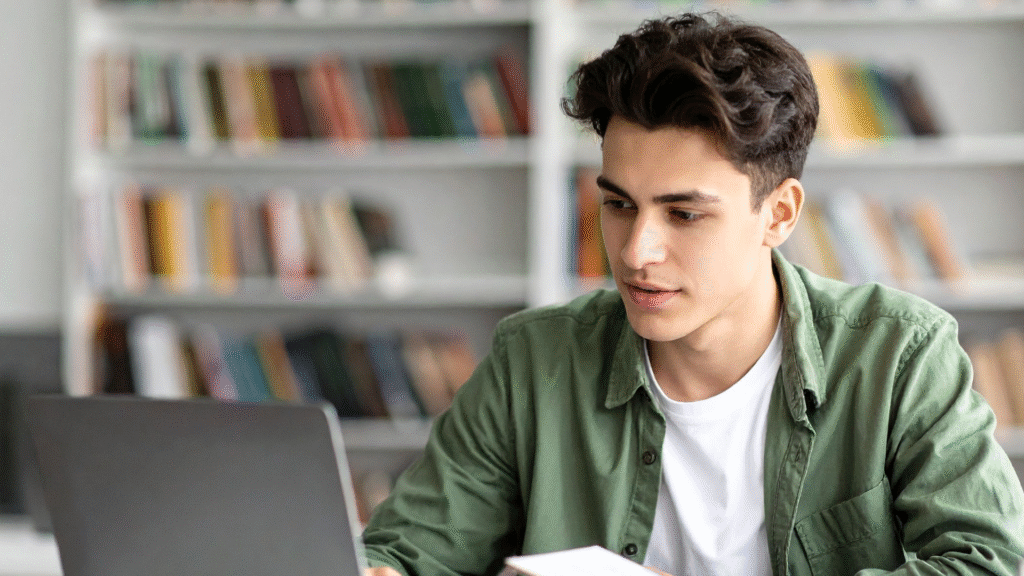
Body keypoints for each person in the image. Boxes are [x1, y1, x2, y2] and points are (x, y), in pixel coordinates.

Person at [361, 12, 1024, 576]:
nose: (634, 251)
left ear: (780, 214)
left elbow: (985, 562)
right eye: (619, 204)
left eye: (684, 214)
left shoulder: (899, 354)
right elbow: (409, 552)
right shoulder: (534, 359)